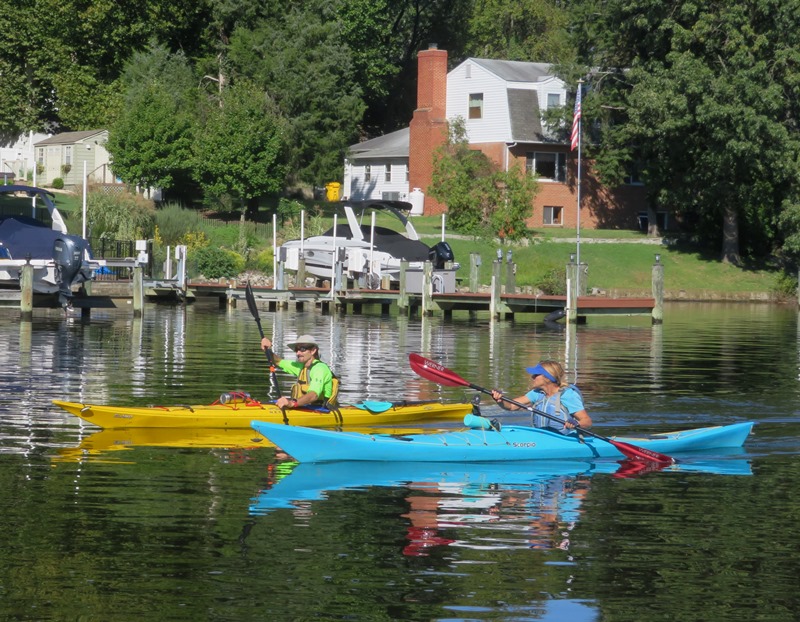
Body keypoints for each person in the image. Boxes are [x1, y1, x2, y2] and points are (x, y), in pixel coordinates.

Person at [490, 360, 591, 432]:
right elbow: (511, 406)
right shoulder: (537, 393)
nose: (532, 377)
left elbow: (587, 421)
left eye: (536, 375)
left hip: (565, 439)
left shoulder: (567, 395)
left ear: (547, 378)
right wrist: (500, 399)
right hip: (541, 436)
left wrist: (576, 424)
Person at [260, 334, 337, 409]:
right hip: (306, 407)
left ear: (313, 350)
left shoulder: (320, 368)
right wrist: (266, 349)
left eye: (302, 349)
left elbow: (314, 395)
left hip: (322, 410)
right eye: (296, 350)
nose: (298, 353)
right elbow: (277, 361)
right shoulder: (301, 367)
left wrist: (291, 403)